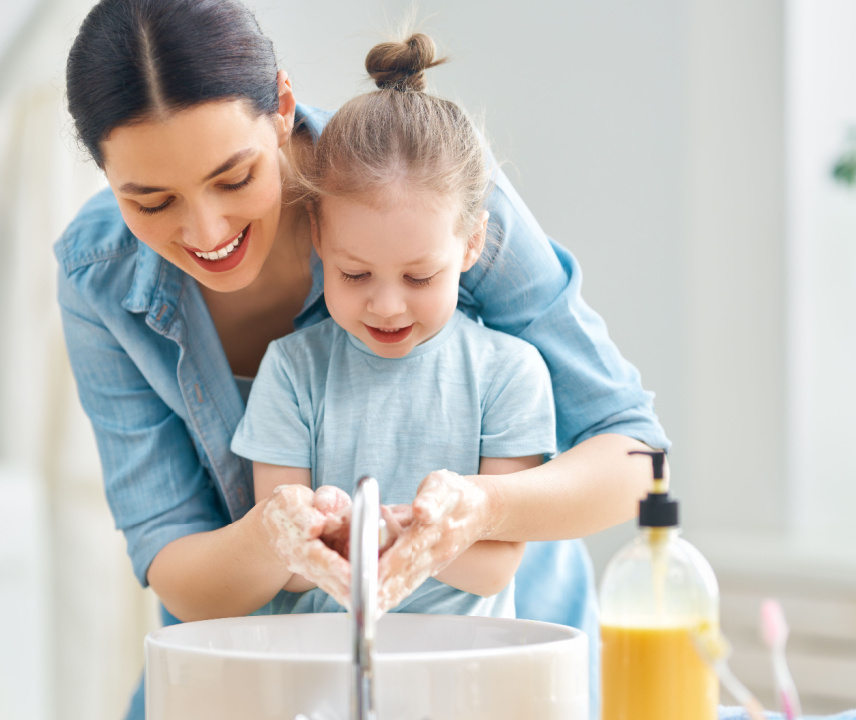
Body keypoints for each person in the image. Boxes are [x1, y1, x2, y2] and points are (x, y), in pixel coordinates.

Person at [55, 0, 670, 717]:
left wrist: (483, 509)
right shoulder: (97, 272)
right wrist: (270, 540)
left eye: (233, 177)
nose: (206, 230)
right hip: (263, 666)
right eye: (152, 200)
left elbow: (635, 455)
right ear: (103, 172)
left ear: (281, 106)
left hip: (493, 657)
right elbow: (174, 564)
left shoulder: (426, 184)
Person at [232, 33, 555, 620]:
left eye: (419, 278)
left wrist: (389, 534)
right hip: (324, 677)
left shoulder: (509, 374)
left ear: (472, 243)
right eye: (355, 275)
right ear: (319, 238)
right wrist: (322, 528)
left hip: (465, 683)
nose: (387, 306)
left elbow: (494, 568)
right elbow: (290, 565)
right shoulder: (293, 371)